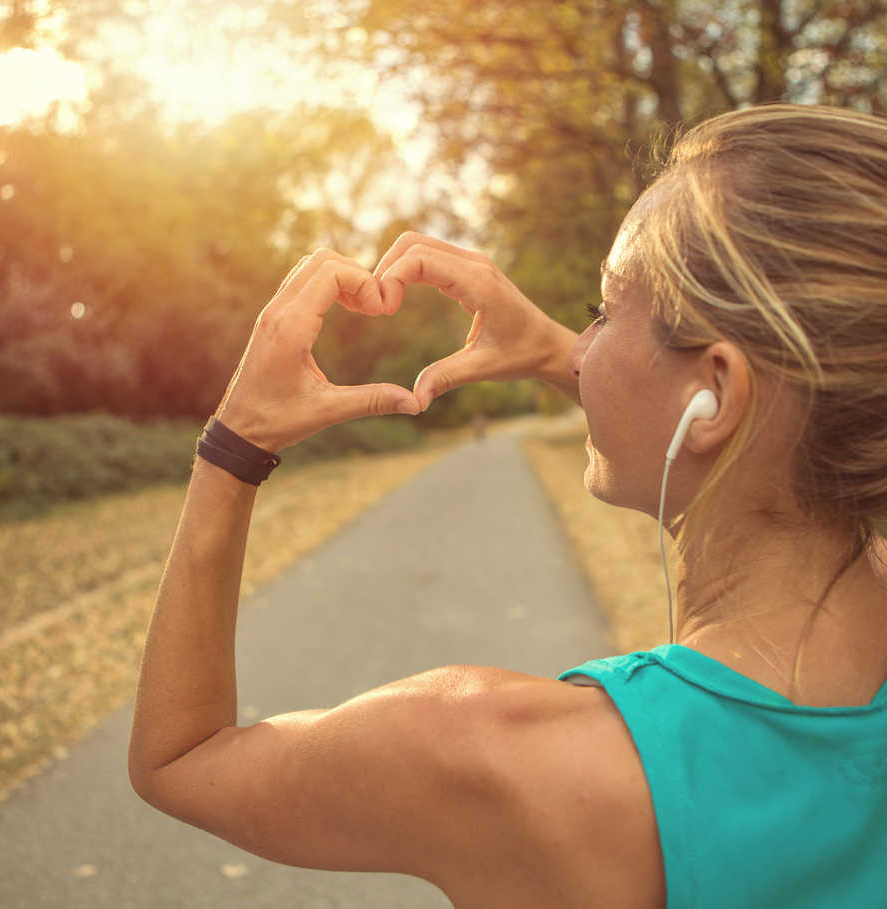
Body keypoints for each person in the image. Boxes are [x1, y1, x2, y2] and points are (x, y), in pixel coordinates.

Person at [128, 104, 887, 907]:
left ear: (716, 394)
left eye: (601, 312)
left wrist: (233, 442)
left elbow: (180, 757)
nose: (581, 346)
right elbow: (745, 442)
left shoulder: (495, 756)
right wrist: (556, 351)